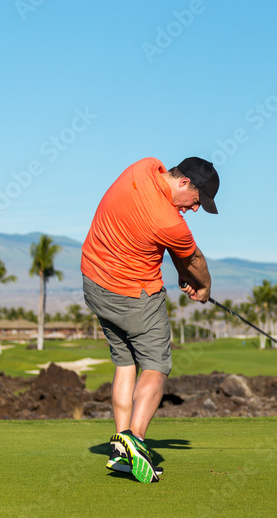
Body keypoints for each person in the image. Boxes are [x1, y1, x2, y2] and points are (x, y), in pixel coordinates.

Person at [81, 156, 217, 482]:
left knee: (125, 363)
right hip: (134, 295)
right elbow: (194, 259)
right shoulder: (172, 225)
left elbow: (165, 241)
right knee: (156, 366)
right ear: (184, 183)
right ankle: (136, 441)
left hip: (95, 283)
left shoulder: (143, 167)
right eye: (197, 200)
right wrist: (204, 286)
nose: (195, 208)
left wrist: (183, 271)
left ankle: (120, 450)